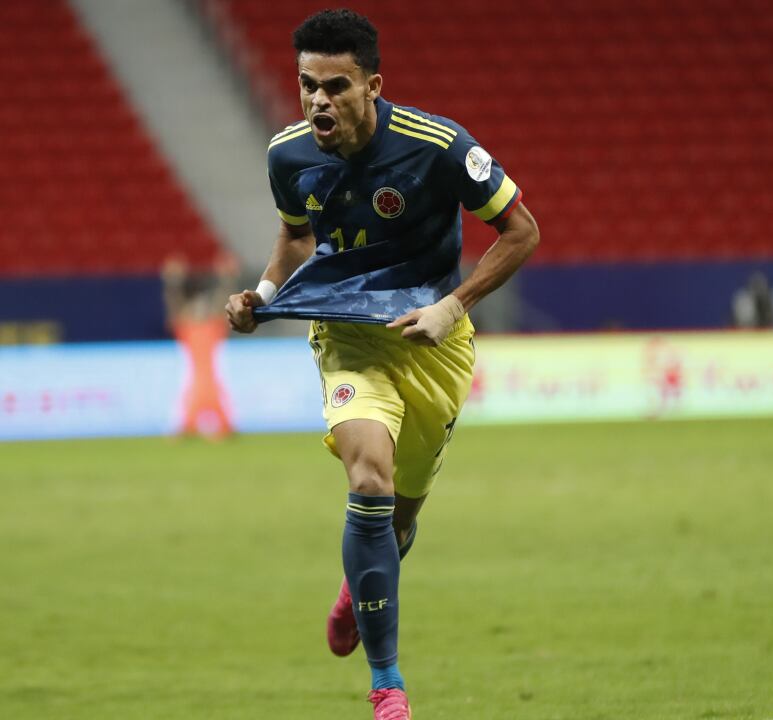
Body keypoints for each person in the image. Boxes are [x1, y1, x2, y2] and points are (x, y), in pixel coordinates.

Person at [224, 10, 539, 719]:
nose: (317, 102)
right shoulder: (288, 154)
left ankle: (355, 588)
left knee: (398, 516)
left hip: (433, 343)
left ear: (372, 85)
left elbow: (522, 231)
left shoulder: (440, 146)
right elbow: (295, 238)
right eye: (307, 85)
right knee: (368, 475)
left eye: (335, 87)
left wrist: (452, 306)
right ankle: (388, 685)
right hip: (348, 338)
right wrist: (263, 296)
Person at [162, 253, 236, 440]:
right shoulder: (187, 329)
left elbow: (223, 305)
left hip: (211, 379)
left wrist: (226, 280)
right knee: (190, 403)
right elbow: (175, 309)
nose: (199, 309)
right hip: (194, 379)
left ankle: (216, 429)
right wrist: (173, 284)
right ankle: (190, 428)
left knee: (214, 403)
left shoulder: (213, 327)